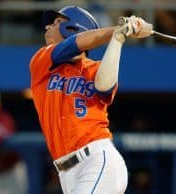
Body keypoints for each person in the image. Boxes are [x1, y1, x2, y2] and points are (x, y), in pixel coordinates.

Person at [29, 5, 152, 194]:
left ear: (73, 27)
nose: (47, 27)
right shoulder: (42, 62)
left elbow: (104, 88)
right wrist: (118, 30)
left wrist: (118, 39)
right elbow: (75, 44)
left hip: (97, 159)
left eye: (57, 23)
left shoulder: (95, 69)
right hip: (66, 172)